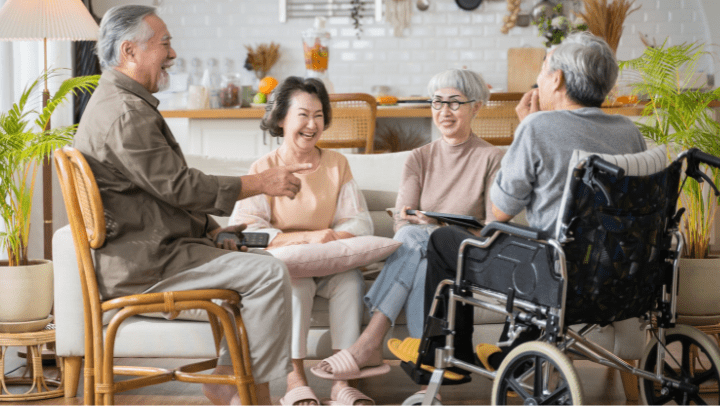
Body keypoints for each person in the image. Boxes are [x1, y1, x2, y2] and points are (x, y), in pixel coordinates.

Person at [72, 5, 308, 405]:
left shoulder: (118, 102)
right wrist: (261, 182)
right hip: (147, 267)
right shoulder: (125, 114)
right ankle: (254, 393)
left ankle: (229, 377)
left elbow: (157, 194)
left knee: (256, 269)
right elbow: (179, 187)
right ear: (130, 51)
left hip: (151, 253)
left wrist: (212, 231)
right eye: (165, 43)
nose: (173, 53)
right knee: (268, 274)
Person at [392, 32, 648, 376]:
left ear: (556, 79)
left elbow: (499, 212)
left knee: (445, 240)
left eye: (542, 70)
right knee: (522, 242)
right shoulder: (629, 131)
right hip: (613, 274)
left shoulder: (538, 126)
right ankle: (512, 354)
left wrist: (526, 127)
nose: (538, 79)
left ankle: (446, 351)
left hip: (551, 273)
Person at [310, 69, 504, 394]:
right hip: (426, 257)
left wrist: (437, 228)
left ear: (477, 106)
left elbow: (490, 229)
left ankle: (371, 340)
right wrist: (415, 224)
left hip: (467, 258)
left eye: (454, 103)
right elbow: (402, 223)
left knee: (416, 239)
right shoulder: (419, 158)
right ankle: (426, 379)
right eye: (437, 102)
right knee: (421, 255)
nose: (444, 111)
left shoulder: (491, 158)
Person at [229, 77, 375, 406]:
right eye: (303, 115)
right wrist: (307, 238)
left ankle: (343, 384)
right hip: (289, 267)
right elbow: (246, 230)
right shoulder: (264, 168)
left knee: (350, 281)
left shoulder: (338, 164)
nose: (312, 124)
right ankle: (295, 381)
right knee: (295, 286)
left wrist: (331, 239)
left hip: (331, 262)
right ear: (281, 119)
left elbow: (359, 219)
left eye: (319, 115)